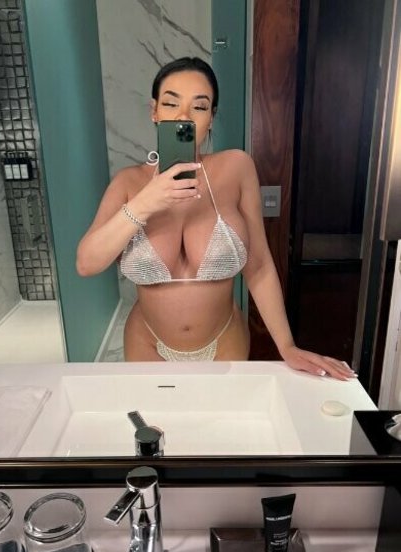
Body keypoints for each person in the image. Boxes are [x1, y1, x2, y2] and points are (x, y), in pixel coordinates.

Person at [77, 57, 354, 380]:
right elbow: (87, 263)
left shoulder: (237, 168)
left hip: (225, 342)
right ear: (155, 111)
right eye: (171, 103)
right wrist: (143, 205)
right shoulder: (128, 183)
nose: (183, 117)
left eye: (199, 106)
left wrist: (287, 346)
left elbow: (259, 265)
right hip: (147, 343)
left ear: (211, 117)